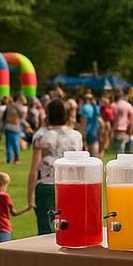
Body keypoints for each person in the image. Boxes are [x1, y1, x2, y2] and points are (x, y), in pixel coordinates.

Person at [27, 97, 83, 235]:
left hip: (46, 185)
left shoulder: (41, 136)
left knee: (46, 232)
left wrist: (30, 196)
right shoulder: (76, 136)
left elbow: (35, 168)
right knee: (69, 230)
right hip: (71, 185)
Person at [111, 90, 133, 154]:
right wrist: (130, 133)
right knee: (128, 155)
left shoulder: (115, 106)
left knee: (119, 155)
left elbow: (113, 120)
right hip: (126, 131)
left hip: (117, 131)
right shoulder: (128, 106)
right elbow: (132, 121)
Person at [2, 97, 22, 164]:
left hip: (8, 126)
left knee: (8, 144)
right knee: (16, 143)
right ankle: (17, 159)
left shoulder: (8, 107)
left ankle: (9, 159)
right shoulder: (17, 107)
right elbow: (21, 116)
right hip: (16, 126)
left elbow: (3, 118)